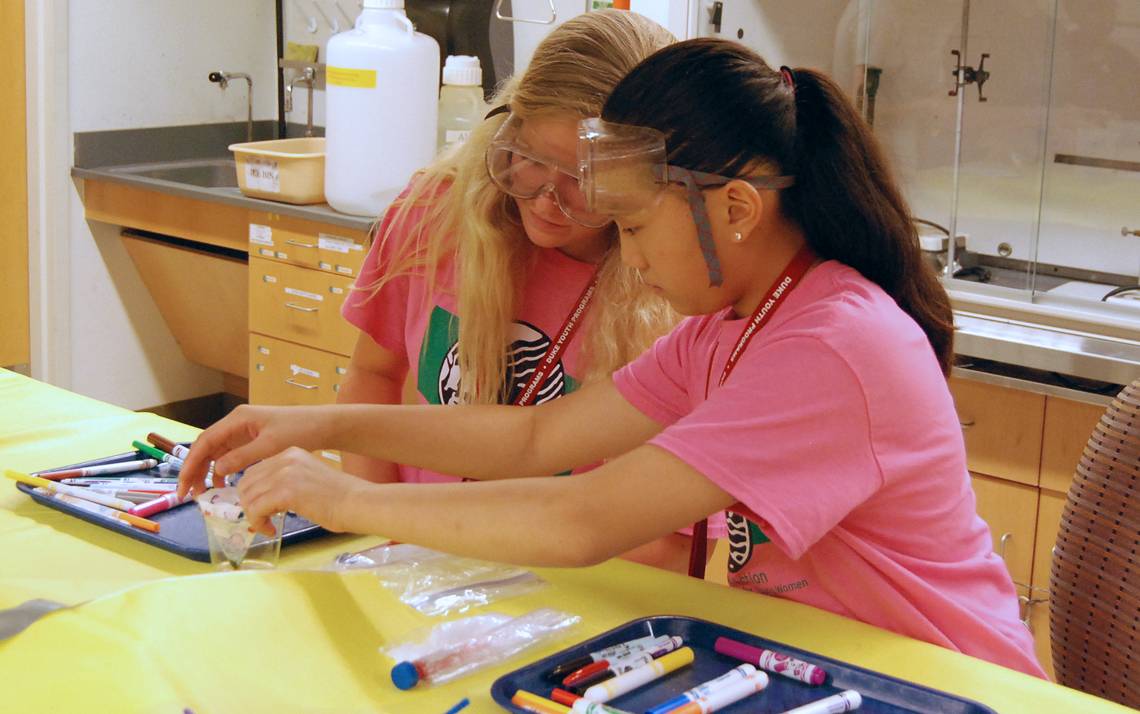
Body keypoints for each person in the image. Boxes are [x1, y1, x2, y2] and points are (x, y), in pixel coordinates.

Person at [180, 39, 1045, 677]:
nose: (627, 259)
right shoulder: (731, 326)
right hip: (826, 665)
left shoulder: (833, 344)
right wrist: (312, 421)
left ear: (736, 208)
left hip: (946, 683)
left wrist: (346, 496)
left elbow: (582, 516)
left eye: (632, 227)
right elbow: (535, 440)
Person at [335, 11, 703, 572]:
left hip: (569, 598)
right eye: (528, 159)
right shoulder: (436, 210)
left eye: (583, 181)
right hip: (416, 565)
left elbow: (671, 542)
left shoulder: (673, 293)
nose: (543, 200)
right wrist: (380, 536)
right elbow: (372, 376)